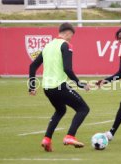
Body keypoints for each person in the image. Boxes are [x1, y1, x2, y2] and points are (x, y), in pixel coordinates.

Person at [28, 23, 90, 152]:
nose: (70, 39)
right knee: (83, 109)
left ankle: (47, 139)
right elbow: (67, 69)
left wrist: (32, 86)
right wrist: (80, 84)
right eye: (71, 36)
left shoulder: (48, 46)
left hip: (47, 88)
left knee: (60, 110)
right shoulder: (66, 45)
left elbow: (32, 66)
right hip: (59, 86)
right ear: (67, 33)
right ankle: (70, 136)